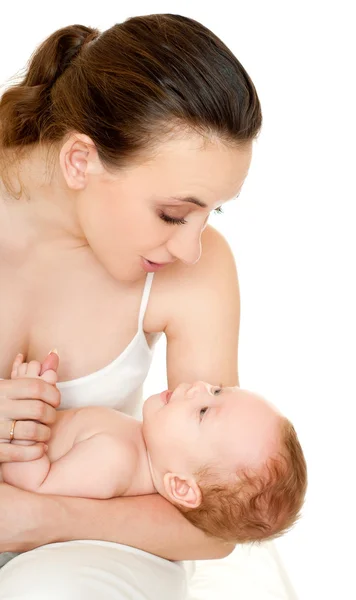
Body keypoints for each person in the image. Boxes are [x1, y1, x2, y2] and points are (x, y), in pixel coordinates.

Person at [0, 13, 263, 600]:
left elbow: (215, 524)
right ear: (80, 161)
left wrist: (39, 518)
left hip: (96, 548)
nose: (191, 248)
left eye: (211, 212)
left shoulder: (197, 272)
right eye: (173, 214)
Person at [1, 354, 307, 549]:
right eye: (216, 390)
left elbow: (31, 486)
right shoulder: (135, 440)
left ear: (180, 486)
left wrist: (26, 412)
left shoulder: (115, 460)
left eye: (202, 411)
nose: (198, 386)